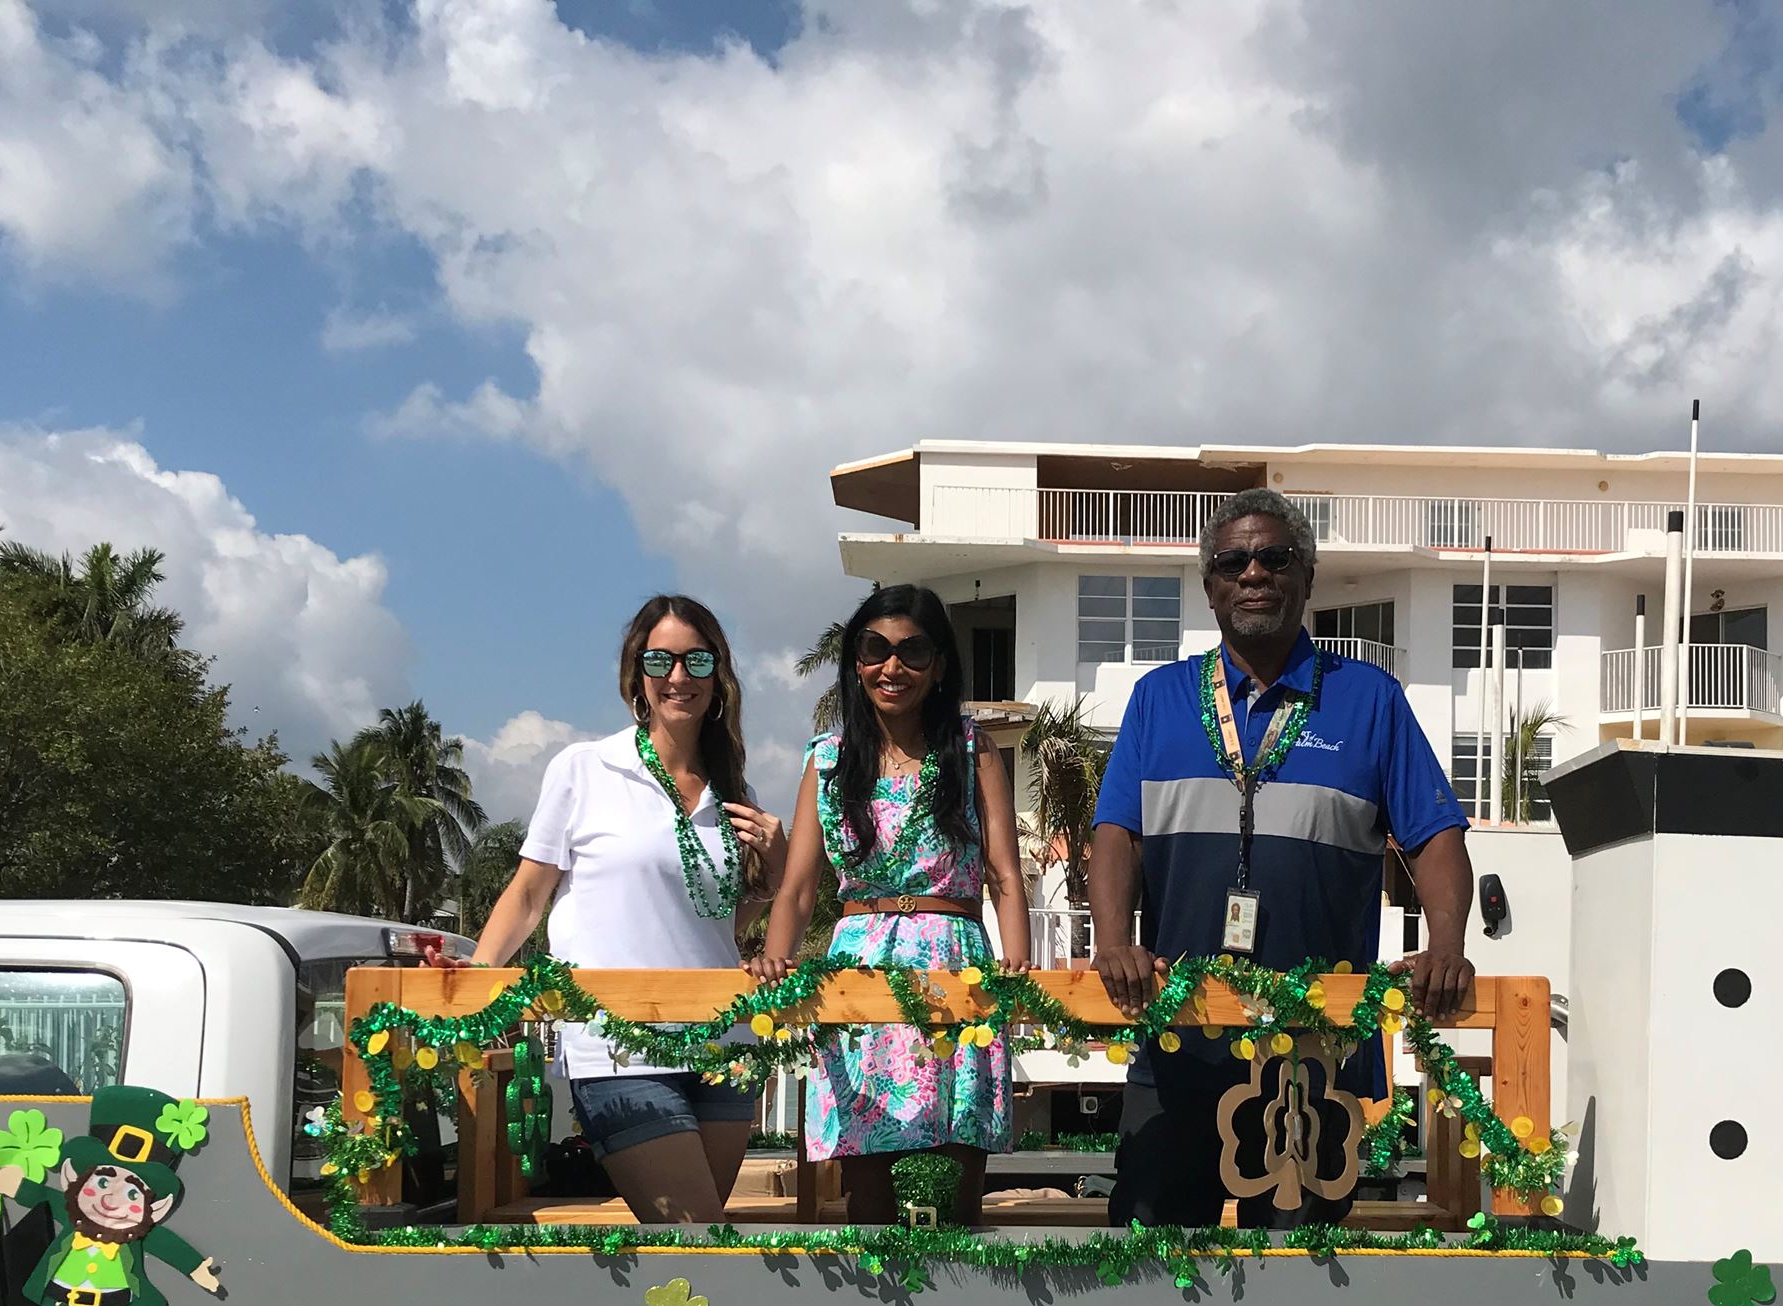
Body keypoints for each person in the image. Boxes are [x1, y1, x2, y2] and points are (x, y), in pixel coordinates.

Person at [1090, 487, 1476, 1229]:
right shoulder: (1159, 699)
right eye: (1233, 561)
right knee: (1147, 1266)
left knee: (1304, 1288)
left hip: (1317, 1051)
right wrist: (1113, 944)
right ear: (1210, 588)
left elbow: (1433, 834)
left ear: (1307, 576)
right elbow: (1118, 835)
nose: (1254, 573)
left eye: (1275, 557)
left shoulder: (1369, 700)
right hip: (1179, 1039)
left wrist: (1447, 947)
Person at [472, 594, 788, 1223]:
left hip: (723, 1045)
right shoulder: (584, 768)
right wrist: (479, 975)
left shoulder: (735, 790)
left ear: (718, 676)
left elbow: (717, 922)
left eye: (698, 663)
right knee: (699, 1231)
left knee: (699, 1249)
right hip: (618, 1047)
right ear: (636, 675)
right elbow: (530, 894)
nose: (679, 677)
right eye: (661, 660)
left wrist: (776, 868)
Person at [752, 585, 1031, 1226]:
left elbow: (1003, 874)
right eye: (875, 649)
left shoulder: (971, 748)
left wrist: (1014, 966)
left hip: (953, 958)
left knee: (957, 1172)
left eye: (912, 651)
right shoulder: (828, 760)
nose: (892, 667)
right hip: (860, 965)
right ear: (854, 660)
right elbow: (797, 888)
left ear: (938, 665)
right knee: (868, 1177)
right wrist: (774, 959)